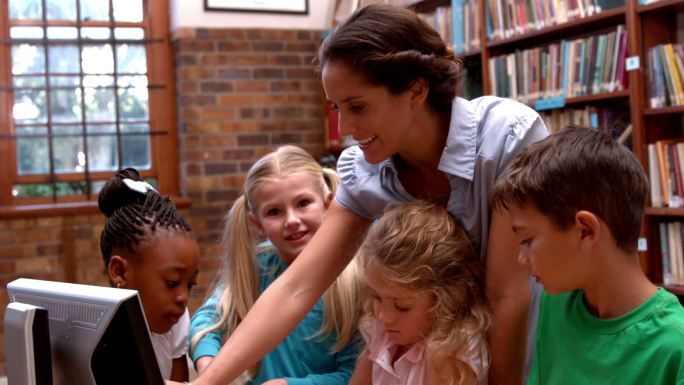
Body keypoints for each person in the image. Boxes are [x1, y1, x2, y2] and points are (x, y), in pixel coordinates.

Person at [180, 4, 548, 385]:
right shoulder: (366, 171)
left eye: (357, 106)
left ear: (416, 90)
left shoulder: (505, 138)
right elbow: (296, 287)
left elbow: (507, 295)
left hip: (523, 366)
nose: (345, 127)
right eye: (337, 108)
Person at [490, 126, 684, 385]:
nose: (521, 259)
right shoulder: (554, 302)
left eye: (527, 240)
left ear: (585, 232)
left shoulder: (674, 347)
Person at [189, 145, 363, 385]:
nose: (291, 220)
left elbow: (359, 373)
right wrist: (209, 366)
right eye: (274, 212)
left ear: (328, 203)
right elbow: (209, 320)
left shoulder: (355, 277)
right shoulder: (256, 267)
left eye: (303, 203)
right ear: (257, 222)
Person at [349, 201, 490, 385]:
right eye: (376, 297)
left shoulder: (449, 350)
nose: (384, 316)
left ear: (445, 300)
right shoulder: (380, 332)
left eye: (402, 307)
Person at [98, 168, 199, 383]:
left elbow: (180, 379)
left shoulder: (175, 318)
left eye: (189, 285)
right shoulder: (99, 333)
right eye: (172, 283)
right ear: (120, 272)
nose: (183, 297)